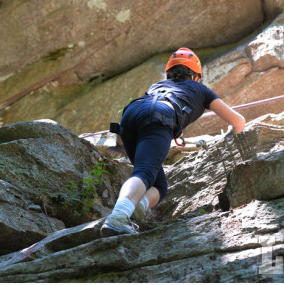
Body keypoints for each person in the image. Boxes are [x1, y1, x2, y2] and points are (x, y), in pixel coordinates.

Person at [101, 47, 245, 236]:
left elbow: (145, 108)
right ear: (195, 76)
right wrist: (233, 132)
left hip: (131, 115)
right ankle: (118, 217)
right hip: (159, 116)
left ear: (170, 73)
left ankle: (134, 212)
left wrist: (120, 142)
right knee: (144, 172)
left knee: (160, 186)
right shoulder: (202, 90)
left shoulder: (157, 86)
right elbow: (239, 122)